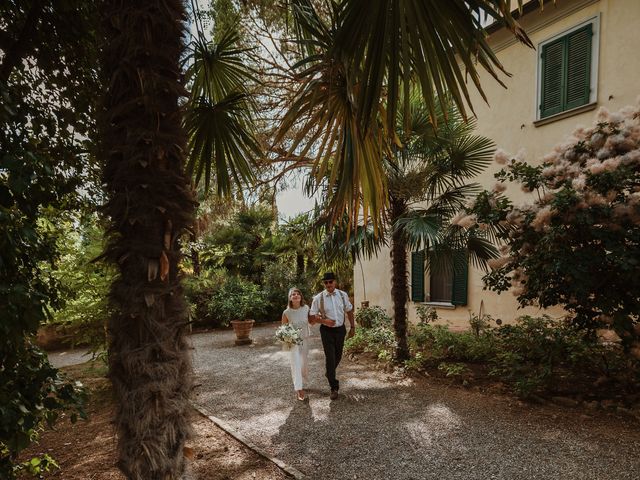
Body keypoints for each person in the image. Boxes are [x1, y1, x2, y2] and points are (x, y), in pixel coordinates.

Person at [309, 272, 354, 400]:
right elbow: (311, 317)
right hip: (326, 331)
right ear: (324, 284)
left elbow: (349, 310)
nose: (328, 284)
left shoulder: (342, 295)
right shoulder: (318, 298)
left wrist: (353, 327)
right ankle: (334, 387)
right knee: (330, 357)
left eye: (330, 282)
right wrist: (324, 321)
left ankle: (329, 373)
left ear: (335, 282)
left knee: (338, 355)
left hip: (340, 330)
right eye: (326, 282)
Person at [281, 287, 312, 401]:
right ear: (290, 298)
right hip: (293, 342)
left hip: (305, 339)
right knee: (296, 364)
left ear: (300, 297)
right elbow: (283, 329)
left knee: (303, 364)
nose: (296, 295)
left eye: (298, 294)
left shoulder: (306, 308)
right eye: (293, 294)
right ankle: (299, 389)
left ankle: (302, 382)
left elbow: (311, 321)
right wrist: (288, 339)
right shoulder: (286, 312)